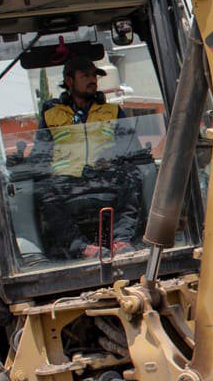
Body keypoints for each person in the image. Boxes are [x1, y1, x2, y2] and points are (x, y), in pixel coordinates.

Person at [32, 56, 142, 259]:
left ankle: (121, 240)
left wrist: (111, 158)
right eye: (85, 75)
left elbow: (130, 148)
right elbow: (40, 155)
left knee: (133, 176)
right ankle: (81, 247)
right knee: (44, 191)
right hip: (66, 182)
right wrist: (43, 175)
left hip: (106, 176)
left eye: (95, 76)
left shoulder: (113, 111)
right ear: (69, 80)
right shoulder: (51, 115)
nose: (92, 80)